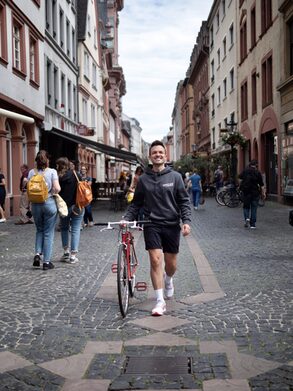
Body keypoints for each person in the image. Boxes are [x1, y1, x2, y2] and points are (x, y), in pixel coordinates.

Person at [122, 140, 191, 316]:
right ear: (150, 156)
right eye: (155, 153)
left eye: (161, 152)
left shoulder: (175, 177)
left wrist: (186, 221)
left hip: (171, 225)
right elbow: (136, 204)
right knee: (155, 260)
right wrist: (127, 219)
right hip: (151, 224)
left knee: (171, 264)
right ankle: (160, 301)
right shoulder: (144, 179)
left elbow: (183, 201)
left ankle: (168, 280)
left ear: (165, 156)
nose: (158, 155)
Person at [28, 150, 61, 270]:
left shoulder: (32, 172)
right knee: (48, 232)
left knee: (39, 230)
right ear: (47, 160)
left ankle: (37, 254)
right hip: (49, 203)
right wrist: (51, 191)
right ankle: (46, 262)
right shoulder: (52, 172)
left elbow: (27, 189)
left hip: (35, 205)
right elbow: (57, 188)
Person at [56, 157, 84, 264]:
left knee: (64, 228)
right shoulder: (76, 174)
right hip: (77, 205)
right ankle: (73, 256)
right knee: (75, 229)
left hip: (64, 207)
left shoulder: (58, 177)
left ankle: (66, 252)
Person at [239, 160, 266, 229]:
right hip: (255, 193)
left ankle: (247, 218)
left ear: (249, 165)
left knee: (246, 207)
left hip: (246, 192)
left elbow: (239, 177)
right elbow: (262, 185)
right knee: (254, 208)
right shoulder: (257, 172)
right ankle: (253, 224)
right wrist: (263, 193)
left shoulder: (245, 171)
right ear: (256, 165)